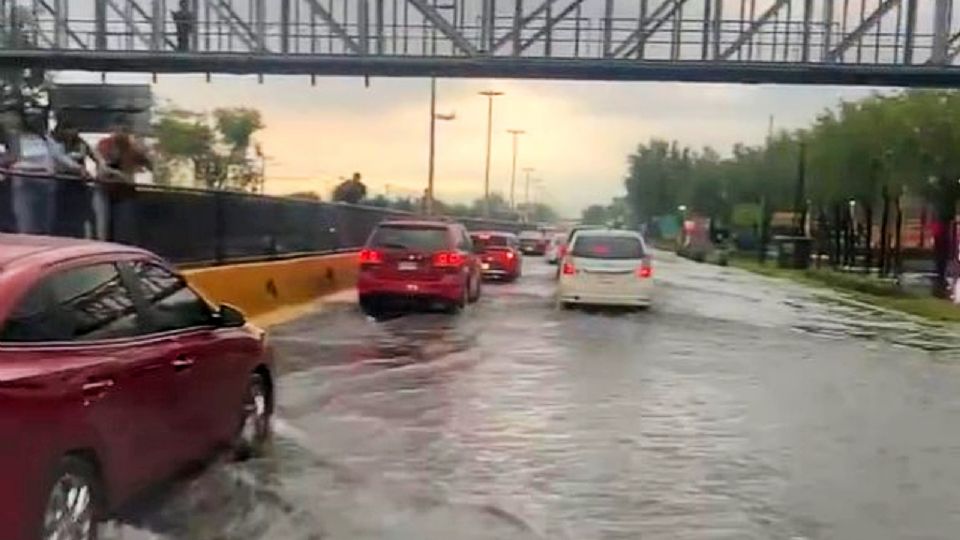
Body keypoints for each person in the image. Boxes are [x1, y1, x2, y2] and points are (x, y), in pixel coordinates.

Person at [9, 113, 86, 235]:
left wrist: (77, 167)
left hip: (46, 186)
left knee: (45, 223)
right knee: (26, 221)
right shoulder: (18, 139)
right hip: (25, 185)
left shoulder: (46, 140)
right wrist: (38, 169)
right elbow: (14, 162)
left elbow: (59, 156)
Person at [95, 125, 153, 242]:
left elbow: (150, 165)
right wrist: (120, 175)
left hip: (125, 193)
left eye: (124, 131)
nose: (120, 134)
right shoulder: (105, 144)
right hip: (105, 191)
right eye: (118, 130)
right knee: (103, 228)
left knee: (123, 228)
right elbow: (103, 169)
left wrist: (146, 152)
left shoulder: (132, 148)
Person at [50, 120, 98, 238]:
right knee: (63, 214)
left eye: (73, 129)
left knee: (82, 214)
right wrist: (77, 168)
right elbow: (59, 160)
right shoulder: (56, 144)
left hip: (79, 184)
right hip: (62, 182)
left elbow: (95, 156)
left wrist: (100, 167)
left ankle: (82, 235)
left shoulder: (81, 143)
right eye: (67, 129)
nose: (71, 132)